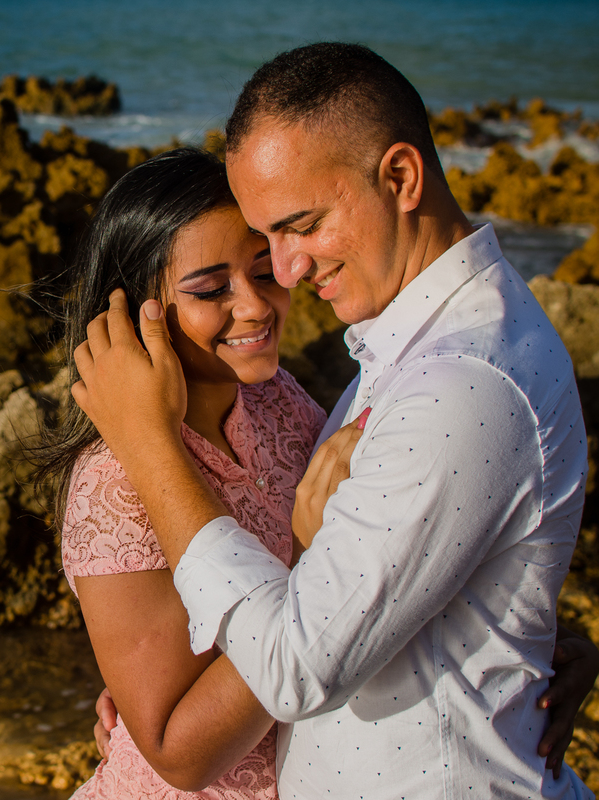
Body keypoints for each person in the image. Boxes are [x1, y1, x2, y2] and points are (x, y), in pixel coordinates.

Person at [71, 42, 595, 798]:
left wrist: (152, 446)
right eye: (263, 244)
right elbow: (417, 552)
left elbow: (295, 659)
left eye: (302, 227)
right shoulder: (400, 351)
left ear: (401, 178)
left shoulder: (454, 387)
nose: (283, 276)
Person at [38, 145, 327, 797]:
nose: (255, 307)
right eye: (210, 289)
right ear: (134, 313)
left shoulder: (276, 398)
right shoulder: (112, 483)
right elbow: (179, 753)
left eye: (265, 271)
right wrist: (318, 570)